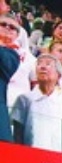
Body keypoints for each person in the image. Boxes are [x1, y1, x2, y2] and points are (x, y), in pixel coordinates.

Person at [12, 54, 62, 155]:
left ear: (58, 75)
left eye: (48, 64)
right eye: (39, 64)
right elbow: (18, 135)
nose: (42, 67)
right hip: (33, 156)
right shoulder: (24, 100)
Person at [0, 12, 19, 142]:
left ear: (16, 36)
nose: (7, 27)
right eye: (3, 24)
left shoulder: (13, 55)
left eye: (12, 27)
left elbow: (7, 66)